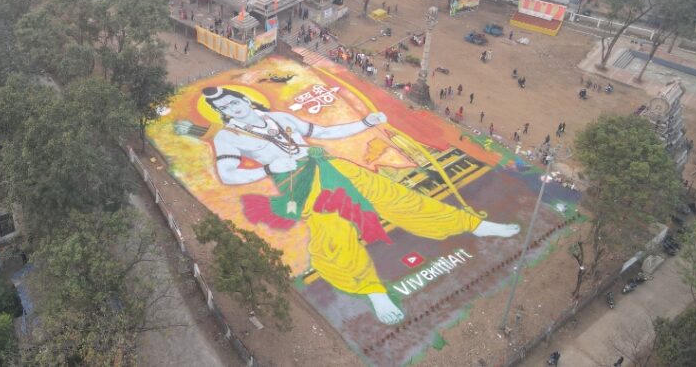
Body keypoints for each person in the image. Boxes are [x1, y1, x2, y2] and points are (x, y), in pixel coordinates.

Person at [200, 86, 521, 325]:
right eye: (226, 106)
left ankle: (474, 225)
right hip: (298, 183)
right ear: (223, 113)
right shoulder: (228, 137)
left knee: (394, 197)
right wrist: (269, 168)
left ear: (244, 99)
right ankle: (374, 292)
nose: (234, 107)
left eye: (234, 100)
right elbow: (227, 175)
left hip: (333, 166)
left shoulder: (279, 117)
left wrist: (365, 122)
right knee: (334, 234)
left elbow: (325, 132)